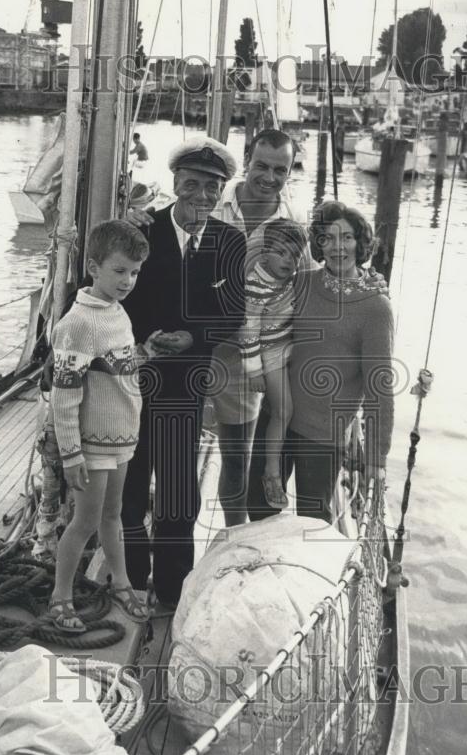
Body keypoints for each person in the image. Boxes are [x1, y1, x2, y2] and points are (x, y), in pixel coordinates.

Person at [121, 135, 246, 607]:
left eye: (212, 187)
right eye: (192, 184)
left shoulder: (229, 242)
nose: (201, 195)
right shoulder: (139, 233)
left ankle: (173, 593)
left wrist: (193, 338)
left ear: (220, 192)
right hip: (131, 380)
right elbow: (103, 287)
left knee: (177, 495)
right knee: (130, 487)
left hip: (184, 387)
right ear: (175, 182)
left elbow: (232, 315)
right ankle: (131, 584)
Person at [47, 222, 167, 633]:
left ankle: (121, 583)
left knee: (114, 515)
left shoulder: (116, 313)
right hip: (92, 443)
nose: (129, 281)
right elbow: (65, 394)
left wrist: (143, 354)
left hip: (121, 438)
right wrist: (70, 453)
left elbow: (115, 366)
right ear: (94, 267)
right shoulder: (78, 323)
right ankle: (60, 596)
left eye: (135, 272)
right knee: (84, 522)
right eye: (119, 271)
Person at [279, 201, 395, 522]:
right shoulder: (301, 283)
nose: (336, 247)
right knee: (259, 504)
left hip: (324, 435)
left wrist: (375, 456)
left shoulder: (376, 307)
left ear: (360, 243)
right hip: (278, 420)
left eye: (346, 238)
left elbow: (379, 390)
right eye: (327, 239)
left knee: (313, 521)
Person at [239, 220, 308, 509]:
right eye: (281, 253)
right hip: (270, 352)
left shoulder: (288, 277)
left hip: (288, 345)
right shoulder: (256, 283)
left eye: (294, 255)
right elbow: (248, 327)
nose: (289, 261)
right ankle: (271, 472)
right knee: (283, 411)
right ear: (266, 251)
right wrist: (253, 369)